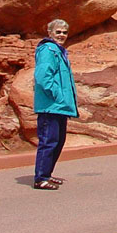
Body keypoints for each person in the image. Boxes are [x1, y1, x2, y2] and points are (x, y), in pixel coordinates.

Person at [33, 19, 78, 190]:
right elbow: (43, 77)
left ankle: (47, 174)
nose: (62, 35)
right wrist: (58, 96)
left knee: (58, 141)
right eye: (58, 32)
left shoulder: (59, 51)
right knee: (49, 141)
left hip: (59, 106)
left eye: (64, 32)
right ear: (50, 33)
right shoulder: (48, 50)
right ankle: (41, 178)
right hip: (50, 106)